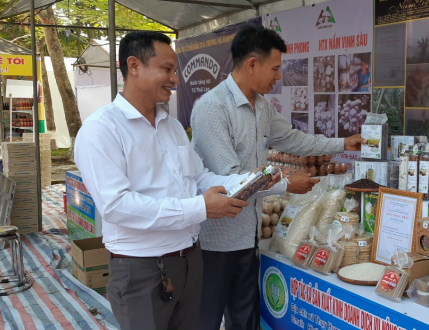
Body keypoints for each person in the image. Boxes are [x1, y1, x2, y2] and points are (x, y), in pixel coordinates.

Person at [74, 31, 278, 330]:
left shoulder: (171, 126)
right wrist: (199, 208)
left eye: (175, 70)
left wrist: (247, 182)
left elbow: (199, 177)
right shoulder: (101, 130)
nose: (175, 79)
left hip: (190, 261)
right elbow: (116, 206)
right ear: (134, 66)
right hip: (141, 268)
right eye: (167, 69)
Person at [190, 25, 365, 330]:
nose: (278, 76)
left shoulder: (262, 107)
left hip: (248, 236)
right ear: (252, 64)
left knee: (245, 320)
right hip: (215, 242)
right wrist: (286, 185)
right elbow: (231, 182)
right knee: (206, 320)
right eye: (274, 68)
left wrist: (344, 143)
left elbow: (295, 140)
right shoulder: (212, 108)